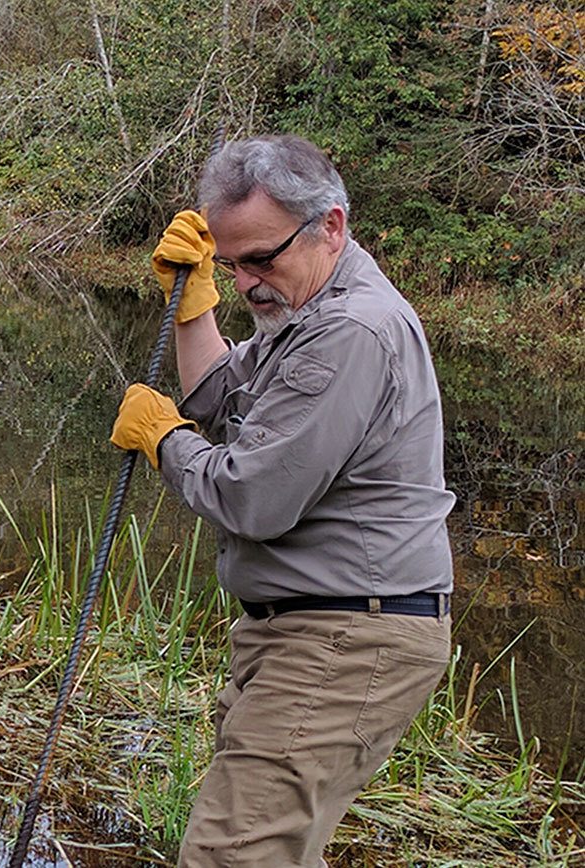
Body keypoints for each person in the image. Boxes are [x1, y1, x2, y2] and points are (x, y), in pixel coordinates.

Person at [110, 135, 454, 866]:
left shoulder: (350, 331)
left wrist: (164, 439)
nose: (246, 283)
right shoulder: (307, 311)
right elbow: (221, 397)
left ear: (330, 225)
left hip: (346, 638)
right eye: (230, 265)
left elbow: (252, 497)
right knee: (275, 851)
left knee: (232, 854)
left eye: (260, 259)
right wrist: (193, 304)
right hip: (314, 631)